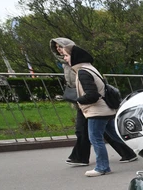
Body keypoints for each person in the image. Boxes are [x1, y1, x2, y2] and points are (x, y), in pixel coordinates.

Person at [50, 38, 137, 167]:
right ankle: (135, 152)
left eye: (61, 48)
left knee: (93, 136)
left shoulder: (82, 70)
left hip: (92, 105)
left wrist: (78, 99)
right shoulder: (78, 66)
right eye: (57, 48)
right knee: (105, 132)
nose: (59, 51)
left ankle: (100, 166)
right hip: (92, 104)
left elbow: (92, 94)